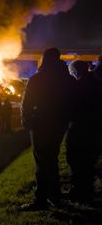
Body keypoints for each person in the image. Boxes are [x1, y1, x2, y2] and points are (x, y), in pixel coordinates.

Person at [21, 48, 75, 210]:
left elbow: (27, 102)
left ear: (44, 59)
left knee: (42, 162)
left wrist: (26, 119)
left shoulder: (38, 79)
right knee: (52, 158)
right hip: (60, 124)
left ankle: (42, 199)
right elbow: (74, 101)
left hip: (40, 124)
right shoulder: (68, 79)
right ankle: (54, 195)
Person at [66, 60, 102, 204]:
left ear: (75, 71)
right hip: (95, 130)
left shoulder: (75, 86)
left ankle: (77, 192)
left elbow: (69, 108)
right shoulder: (98, 84)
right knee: (89, 161)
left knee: (75, 161)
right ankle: (88, 191)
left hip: (78, 129)